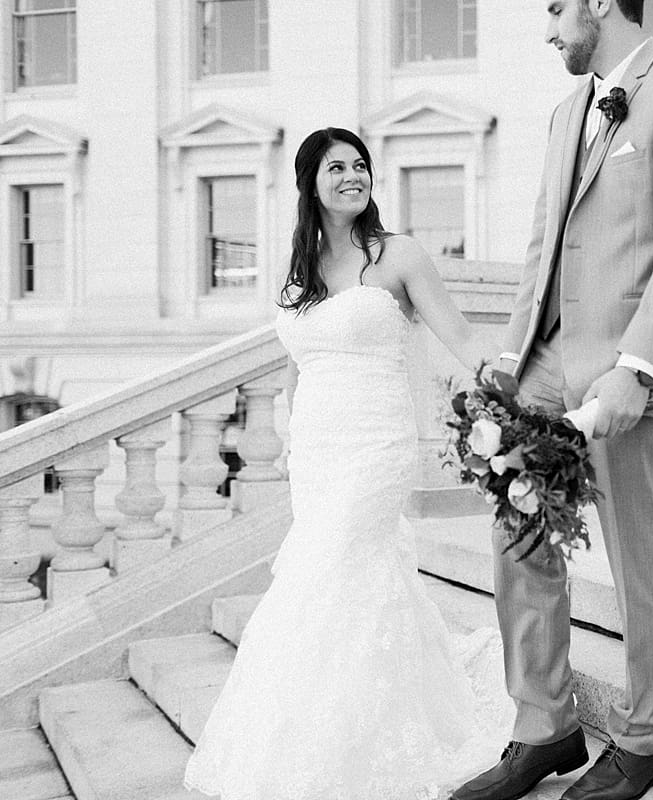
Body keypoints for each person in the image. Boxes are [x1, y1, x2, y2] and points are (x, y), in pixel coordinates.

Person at [184, 127, 512, 800]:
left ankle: (347, 740)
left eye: (360, 165)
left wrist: (514, 387)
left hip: (375, 445)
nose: (352, 176)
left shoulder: (398, 256)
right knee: (335, 576)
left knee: (334, 570)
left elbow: (459, 335)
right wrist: (298, 447)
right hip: (318, 451)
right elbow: (297, 366)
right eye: (336, 167)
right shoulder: (299, 271)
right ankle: (317, 723)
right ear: (310, 183)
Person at [453, 2, 653, 799]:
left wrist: (637, 370)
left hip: (624, 363)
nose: (547, 31)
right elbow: (543, 245)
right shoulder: (566, 111)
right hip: (544, 363)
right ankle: (544, 725)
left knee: (637, 556)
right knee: (517, 536)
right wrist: (511, 357)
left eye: (554, 9)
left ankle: (645, 740)